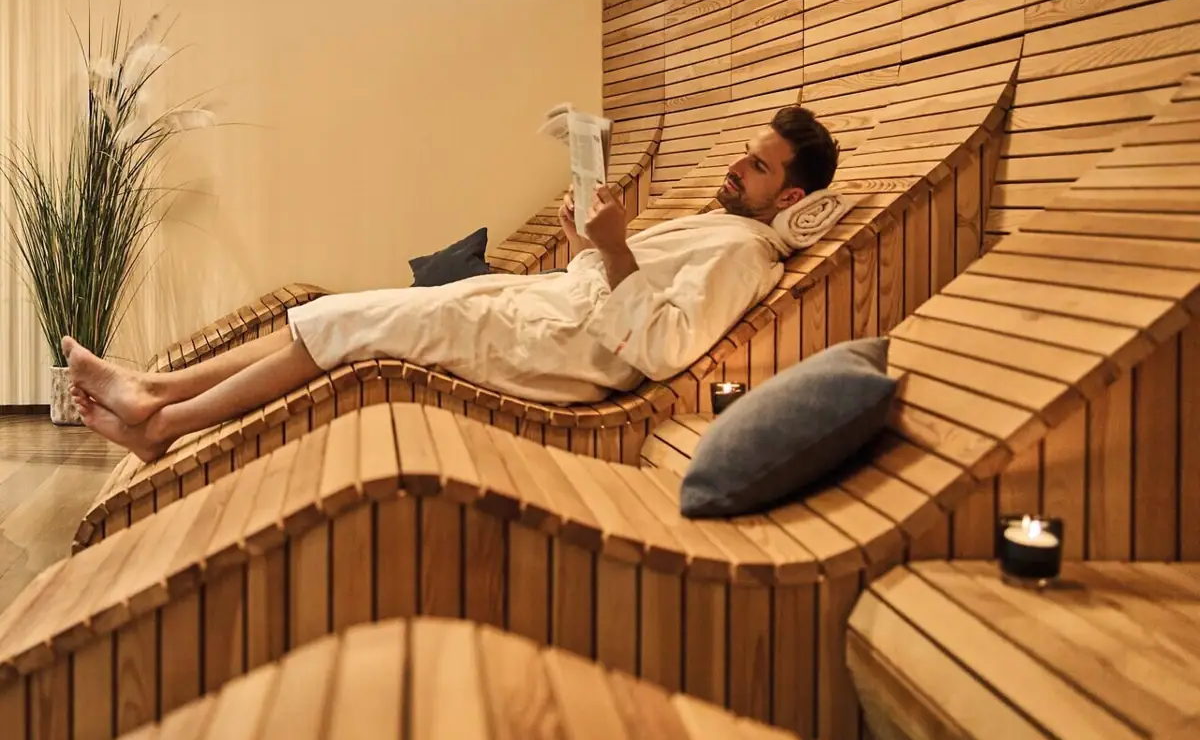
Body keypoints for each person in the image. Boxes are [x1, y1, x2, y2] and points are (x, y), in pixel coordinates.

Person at [66, 105, 840, 462]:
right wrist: (588, 243)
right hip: (548, 314)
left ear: (792, 197)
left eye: (759, 166)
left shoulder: (747, 256)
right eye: (745, 153)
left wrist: (613, 250)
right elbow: (620, 285)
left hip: (564, 351)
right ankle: (155, 392)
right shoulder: (724, 227)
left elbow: (665, 346)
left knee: (345, 328)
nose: (737, 168)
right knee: (328, 313)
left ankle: (164, 420)